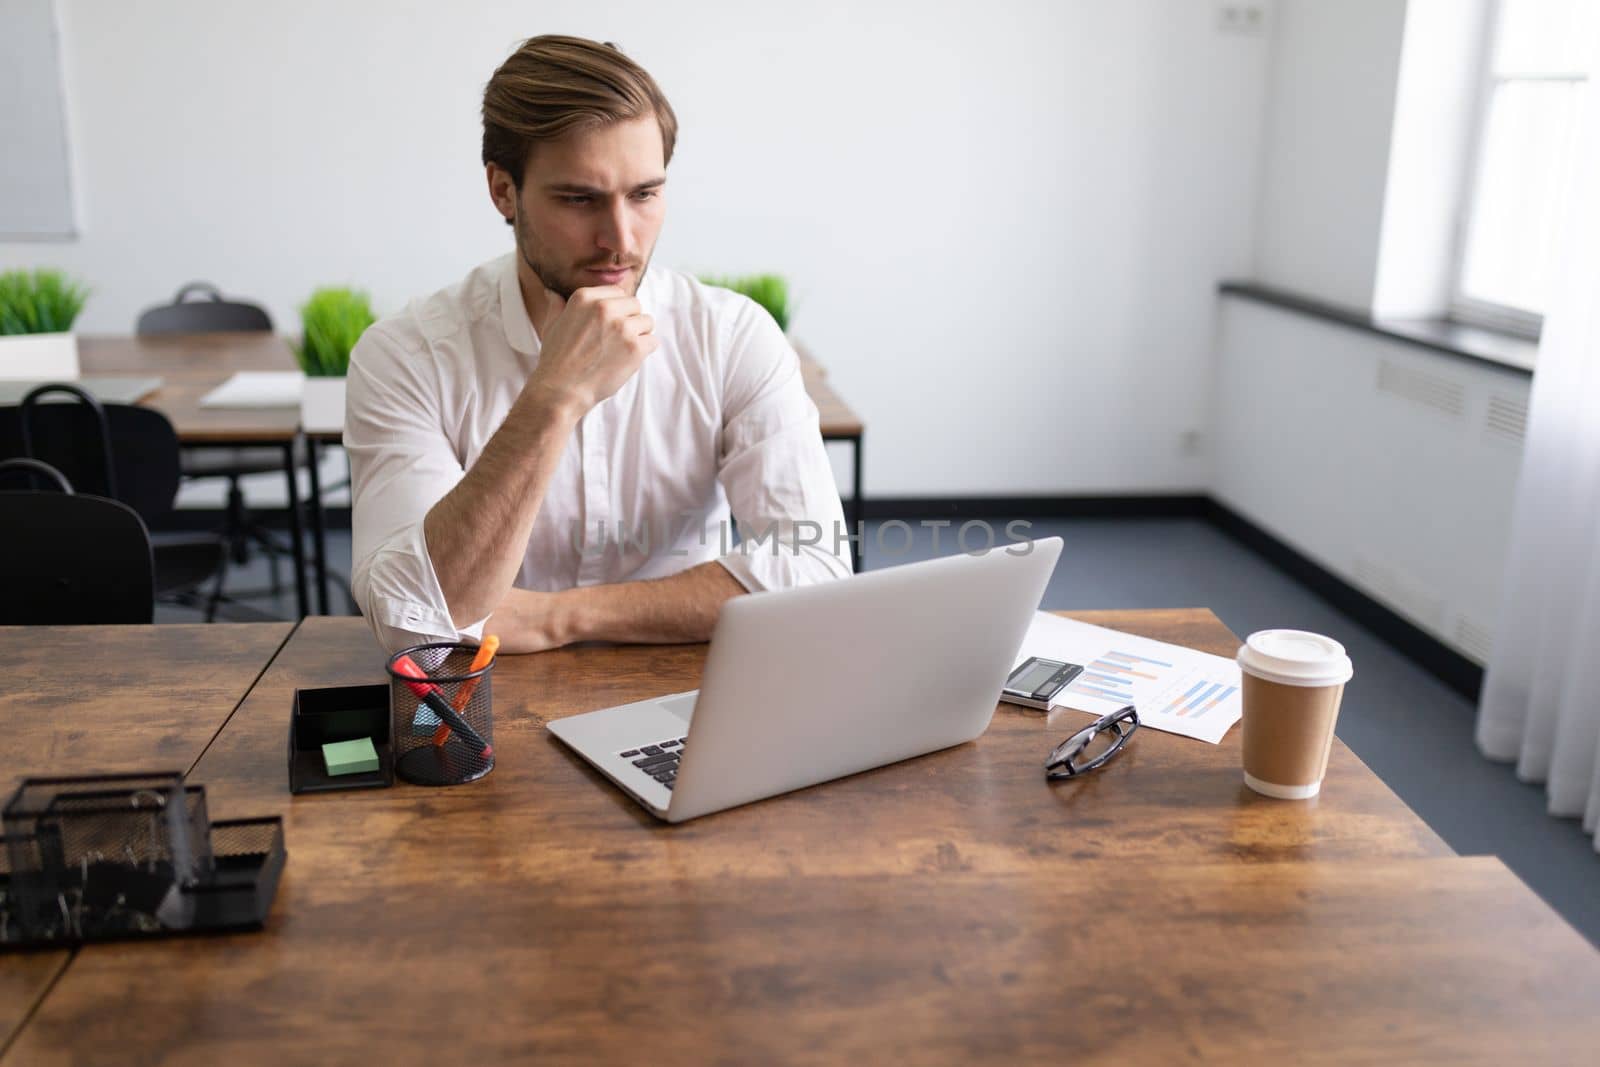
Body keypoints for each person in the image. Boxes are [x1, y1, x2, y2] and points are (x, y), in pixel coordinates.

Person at [346, 35, 851, 654]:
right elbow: (413, 618)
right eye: (580, 199)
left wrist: (562, 618)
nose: (621, 239)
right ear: (503, 191)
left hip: (690, 701)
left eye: (644, 195)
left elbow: (817, 570)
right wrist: (555, 397)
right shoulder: (406, 355)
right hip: (479, 714)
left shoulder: (730, 335)